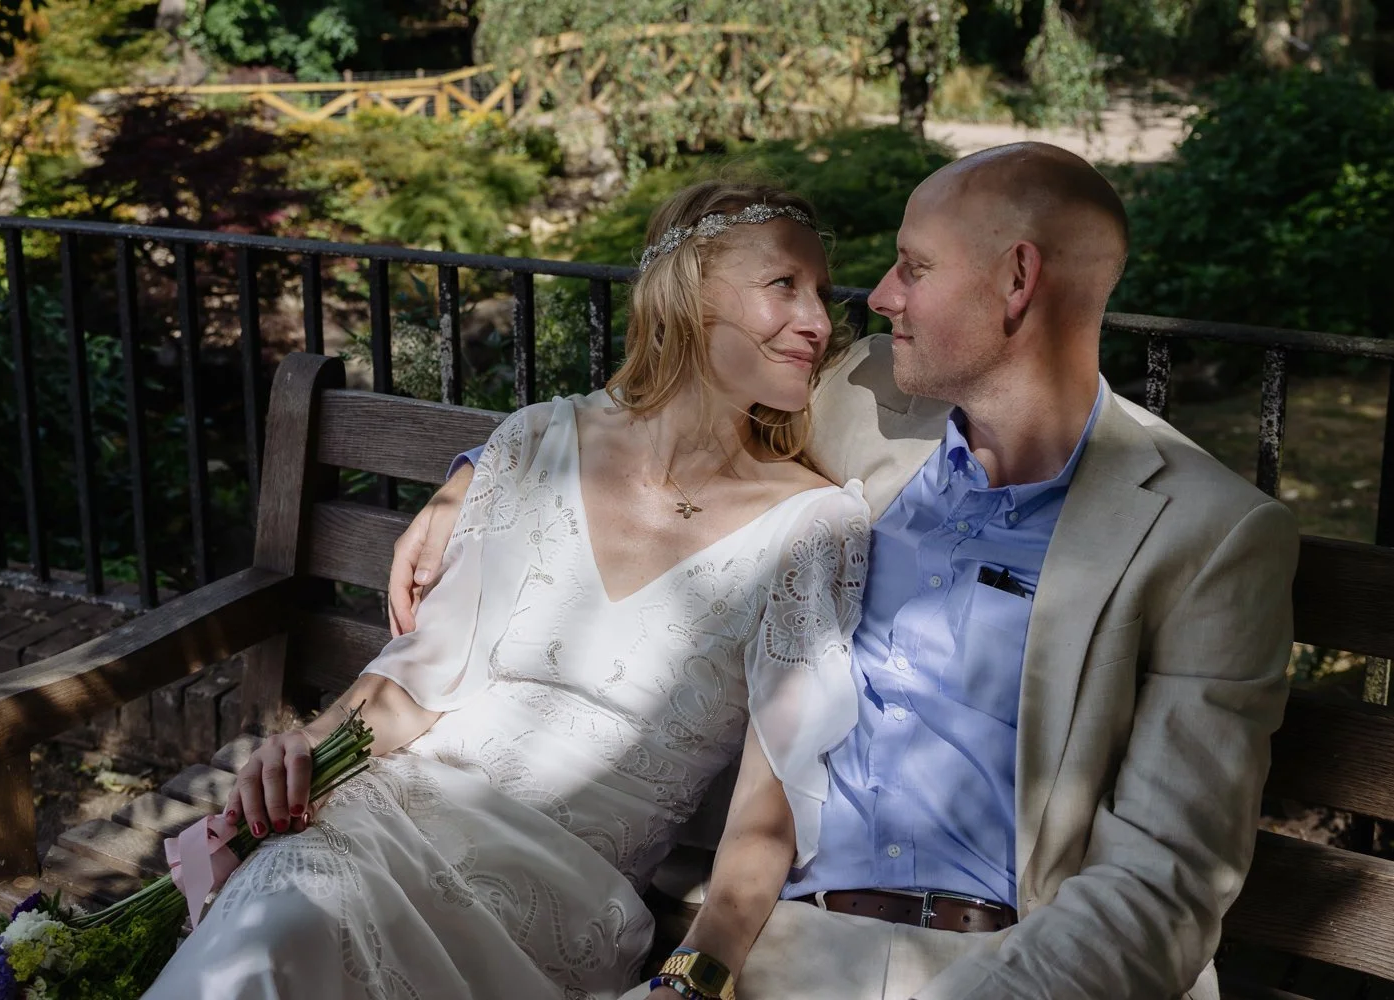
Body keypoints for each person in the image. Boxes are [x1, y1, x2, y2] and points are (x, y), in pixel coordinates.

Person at [391, 143, 1300, 1000]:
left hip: (1011, 962)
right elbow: (659, 412)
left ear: (1017, 280)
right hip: (777, 946)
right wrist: (471, 475)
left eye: (915, 266)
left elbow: (1164, 885)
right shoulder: (865, 398)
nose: (880, 298)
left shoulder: (1207, 536)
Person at [142, 179, 872, 1000]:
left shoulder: (814, 529)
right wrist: (312, 743)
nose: (819, 322)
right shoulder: (535, 442)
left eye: (821, 294)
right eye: (785, 286)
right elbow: (418, 678)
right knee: (279, 924)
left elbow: (767, 815)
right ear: (690, 289)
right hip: (390, 817)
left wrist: (692, 978)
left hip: (556, 902)